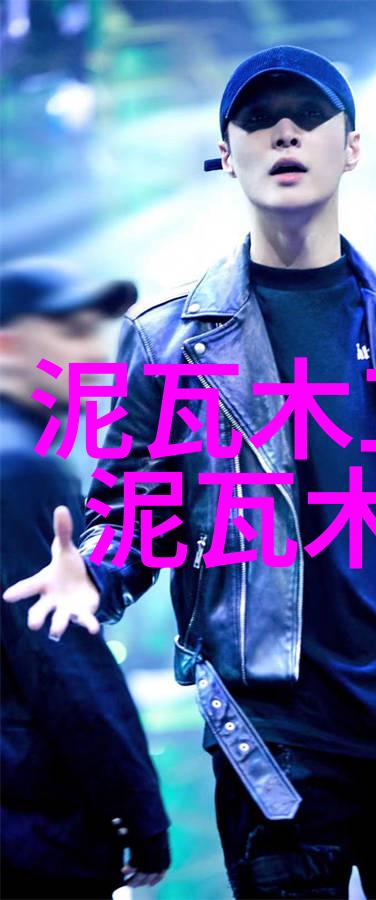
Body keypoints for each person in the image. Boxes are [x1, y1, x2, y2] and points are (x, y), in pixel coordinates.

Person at [4, 47, 376, 900]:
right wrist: (94, 575)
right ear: (227, 153)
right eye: (258, 118)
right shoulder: (171, 340)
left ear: (351, 146)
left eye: (309, 114)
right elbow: (140, 515)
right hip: (278, 749)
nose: (284, 131)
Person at [0, 258, 171, 900]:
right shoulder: (22, 468)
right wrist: (142, 814)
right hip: (32, 829)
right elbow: (62, 663)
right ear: (8, 347)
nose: (95, 353)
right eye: (71, 332)